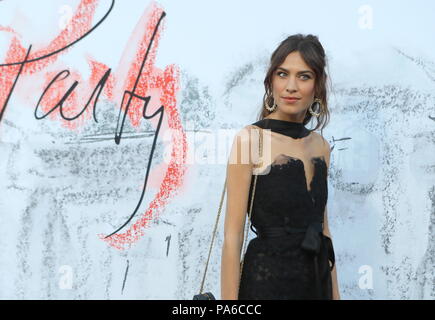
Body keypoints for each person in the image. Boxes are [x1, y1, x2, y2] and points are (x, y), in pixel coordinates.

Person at [220, 34, 340, 300]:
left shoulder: (321, 146)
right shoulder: (250, 139)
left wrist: (336, 295)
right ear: (271, 80)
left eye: (304, 76)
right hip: (266, 283)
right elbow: (232, 237)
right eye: (283, 74)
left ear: (318, 85)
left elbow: (323, 231)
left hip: (315, 283)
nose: (291, 86)